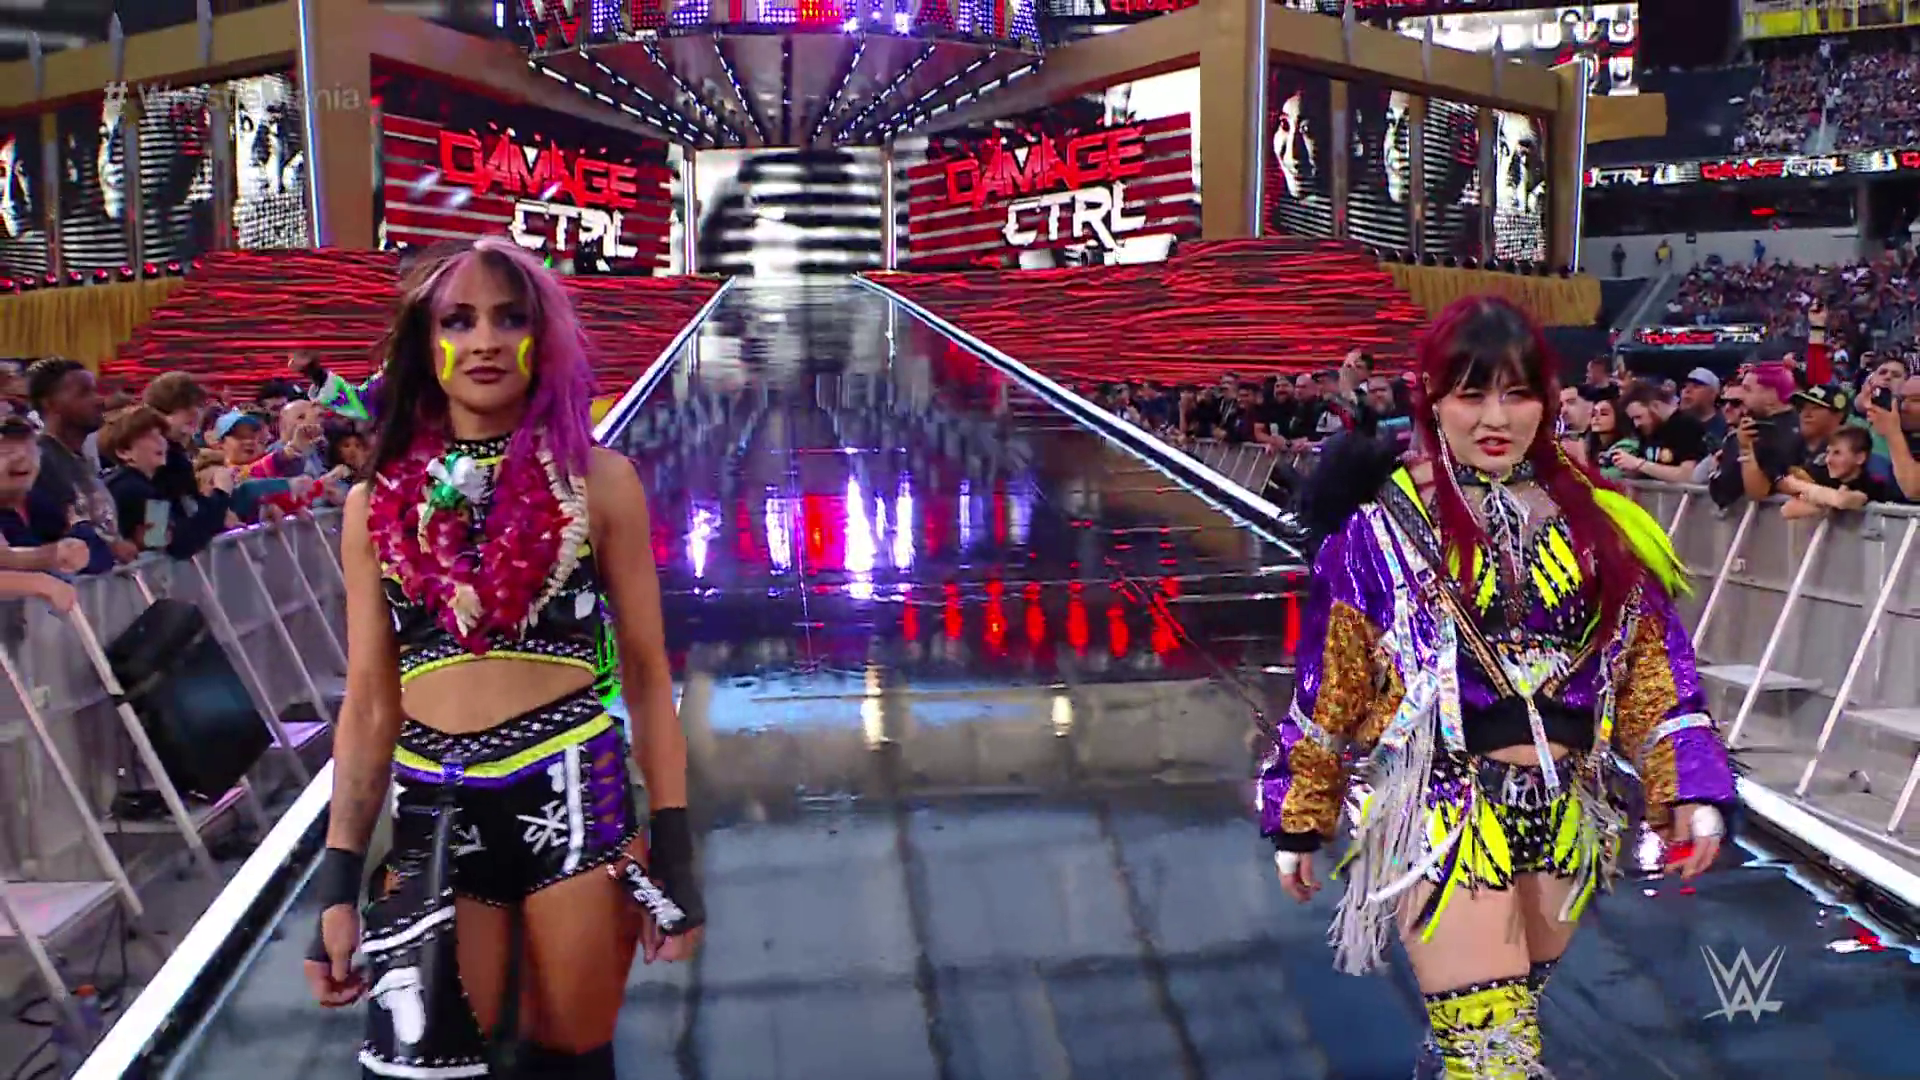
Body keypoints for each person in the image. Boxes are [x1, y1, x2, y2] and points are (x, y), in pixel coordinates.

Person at [1263, 296, 1734, 1078]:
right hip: (1439, 816)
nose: (1495, 417)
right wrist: (1298, 813)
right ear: (1431, 397)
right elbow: (1330, 686)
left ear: (1545, 399)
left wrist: (1690, 785)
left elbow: (1652, 666)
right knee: (1495, 1054)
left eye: (1516, 393)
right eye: (1471, 393)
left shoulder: (1600, 525)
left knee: (1495, 1023)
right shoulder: (1375, 535)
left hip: (1567, 817)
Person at [303, 237, 702, 1080]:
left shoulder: (599, 480)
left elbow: (646, 674)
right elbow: (369, 703)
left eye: (508, 318)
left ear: (539, 337)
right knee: (426, 1065)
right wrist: (336, 879)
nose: (484, 340)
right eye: (459, 320)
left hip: (573, 795)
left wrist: (676, 847)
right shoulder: (374, 504)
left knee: (571, 1064)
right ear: (426, 341)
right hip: (432, 807)